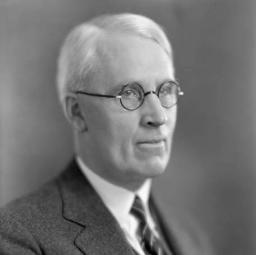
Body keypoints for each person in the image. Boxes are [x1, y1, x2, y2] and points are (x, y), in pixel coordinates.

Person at [0, 13, 212, 255]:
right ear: (77, 112)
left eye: (166, 90)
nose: (159, 116)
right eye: (130, 94)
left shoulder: (190, 237)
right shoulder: (18, 237)